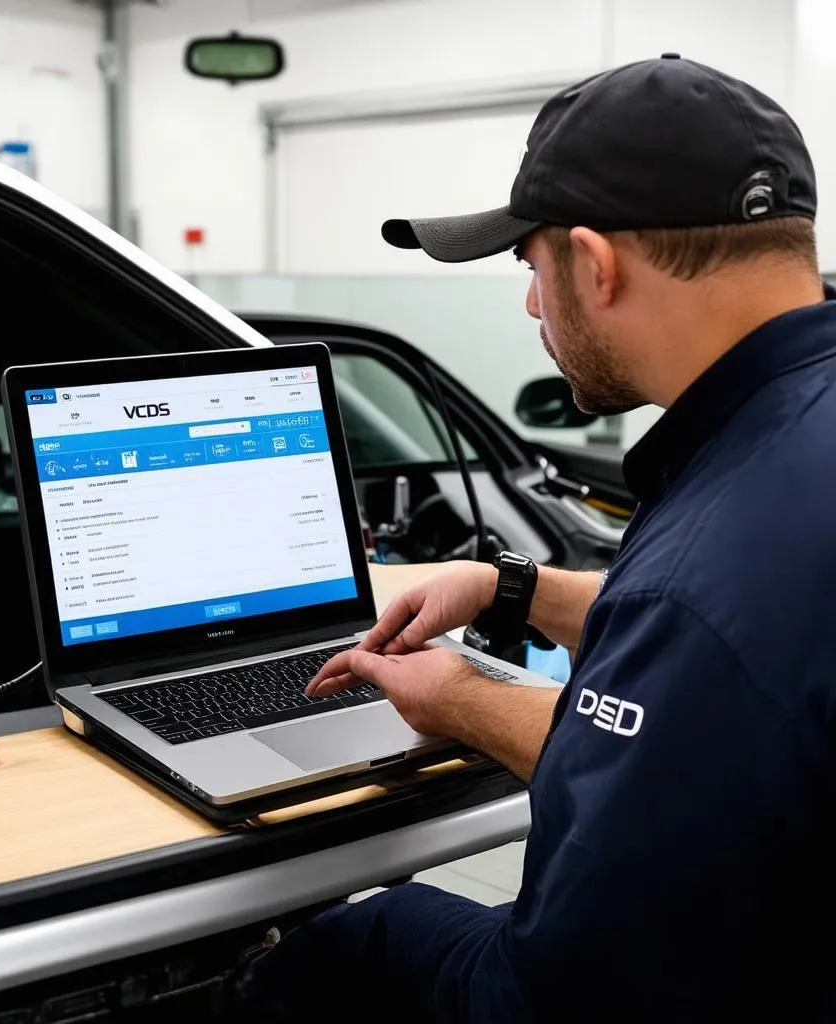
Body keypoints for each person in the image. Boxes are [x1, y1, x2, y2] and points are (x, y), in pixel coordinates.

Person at [235, 54, 836, 1022]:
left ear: (594, 267)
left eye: (530, 266)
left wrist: (456, 696)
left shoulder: (703, 571)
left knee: (352, 940)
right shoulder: (788, 454)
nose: (529, 305)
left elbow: (552, 996)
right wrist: (509, 587)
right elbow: (735, 669)